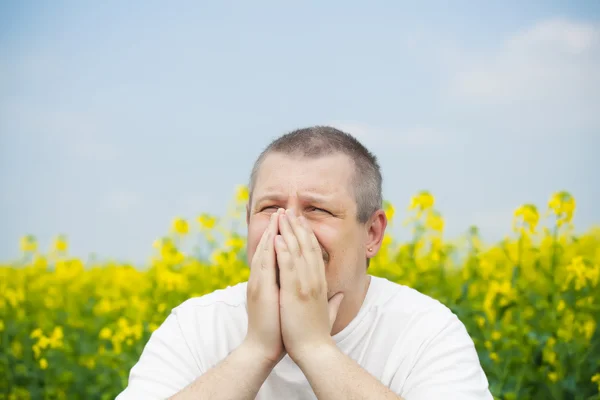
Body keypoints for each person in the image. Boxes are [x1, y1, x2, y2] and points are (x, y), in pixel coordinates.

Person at [116, 126, 493, 400]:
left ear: (372, 234)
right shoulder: (196, 326)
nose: (287, 227)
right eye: (270, 208)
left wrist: (315, 348)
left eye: (316, 209)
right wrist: (256, 350)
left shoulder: (426, 330)